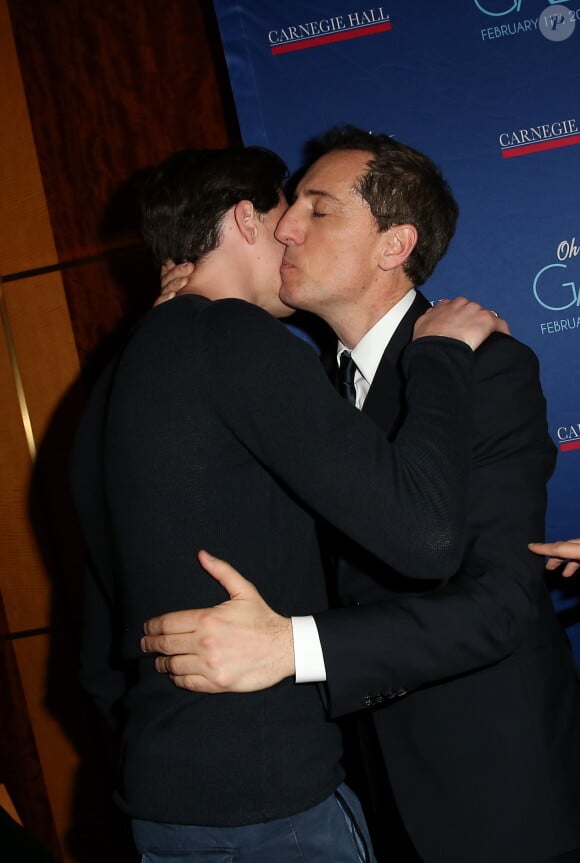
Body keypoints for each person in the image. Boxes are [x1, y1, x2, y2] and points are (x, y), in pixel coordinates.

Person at [144, 128, 580, 863]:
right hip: (359, 797)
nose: (285, 224)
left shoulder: (486, 372)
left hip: (497, 799)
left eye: (318, 209)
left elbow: (498, 606)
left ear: (393, 244)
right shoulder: (295, 393)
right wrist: (171, 340)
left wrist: (292, 646)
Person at [71, 145, 501, 863]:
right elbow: (425, 536)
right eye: (286, 212)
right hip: (270, 808)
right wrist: (441, 354)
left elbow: (97, 651)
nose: (297, 232)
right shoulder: (233, 335)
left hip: (163, 800)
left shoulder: (112, 382)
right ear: (245, 219)